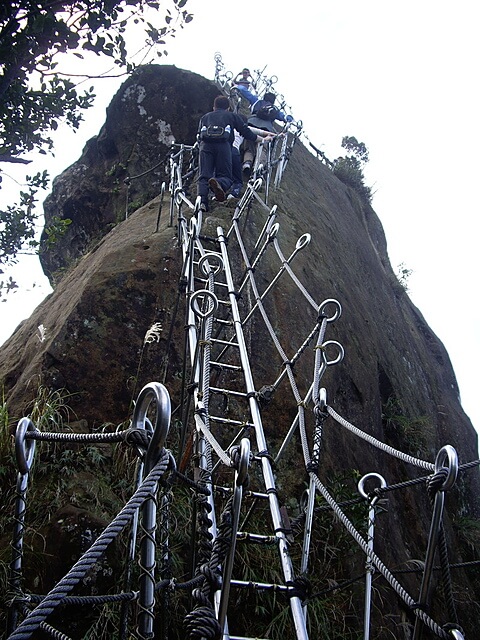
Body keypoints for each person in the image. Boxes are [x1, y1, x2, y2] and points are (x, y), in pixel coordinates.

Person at [197, 95, 270, 211]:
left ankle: (202, 202)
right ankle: (218, 182)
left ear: (213, 107)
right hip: (224, 146)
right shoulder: (231, 116)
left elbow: (199, 136)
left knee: (204, 176)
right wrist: (261, 140)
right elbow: (245, 131)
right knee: (226, 176)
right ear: (228, 108)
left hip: (205, 147)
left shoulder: (205, 117)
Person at [241, 91, 293, 175]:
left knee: (249, 147)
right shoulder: (274, 109)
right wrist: (290, 118)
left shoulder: (257, 102)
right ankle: (258, 167)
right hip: (267, 129)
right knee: (263, 149)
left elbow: (245, 92)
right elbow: (284, 117)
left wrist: (237, 86)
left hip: (251, 124)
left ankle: (247, 163)